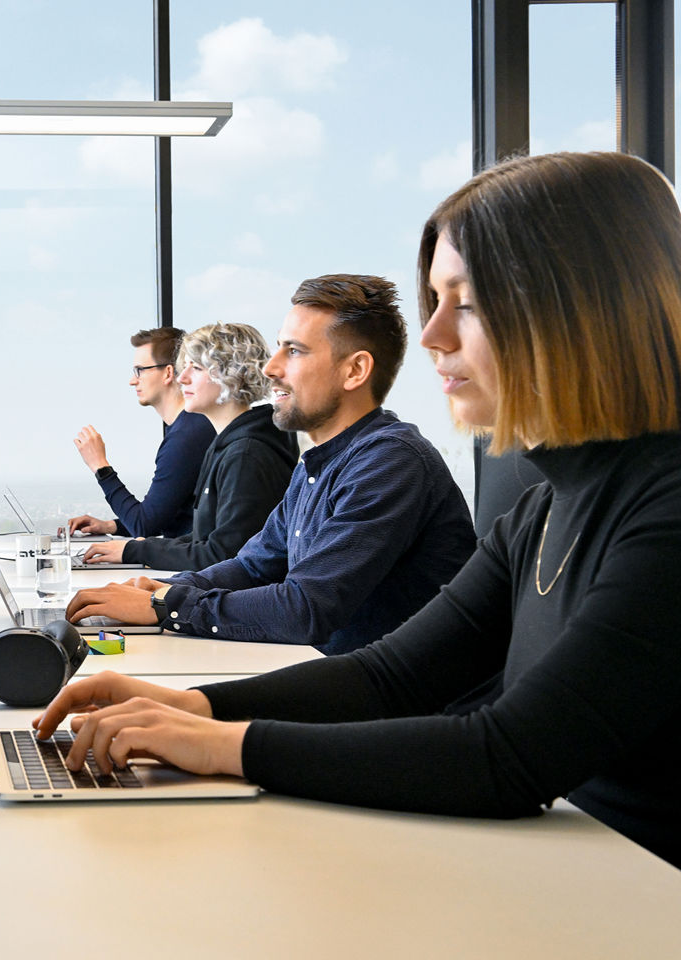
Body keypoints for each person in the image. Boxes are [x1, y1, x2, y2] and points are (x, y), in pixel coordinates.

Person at [37, 152, 681, 868]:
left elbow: (509, 755)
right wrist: (198, 706)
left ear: (584, 309)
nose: (433, 336)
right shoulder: (540, 510)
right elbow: (388, 676)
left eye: (464, 303)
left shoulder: (667, 509)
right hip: (579, 875)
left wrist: (222, 744)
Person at [68, 275, 474, 655]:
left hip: (389, 708)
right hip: (331, 675)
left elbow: (307, 607)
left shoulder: (389, 462)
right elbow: (252, 564)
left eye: (293, 351)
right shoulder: (318, 461)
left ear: (355, 371)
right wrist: (161, 589)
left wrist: (167, 605)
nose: (270, 367)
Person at [80, 323, 297, 571]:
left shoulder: (245, 454)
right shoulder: (226, 444)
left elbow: (222, 556)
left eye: (196, 368)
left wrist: (138, 549)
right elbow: (205, 539)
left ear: (231, 375)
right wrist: (138, 547)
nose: (183, 378)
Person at [68, 328, 215, 541]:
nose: (132, 380)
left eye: (140, 370)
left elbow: (143, 525)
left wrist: (100, 467)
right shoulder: (189, 427)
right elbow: (160, 517)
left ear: (168, 373)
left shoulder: (185, 437)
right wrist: (110, 526)